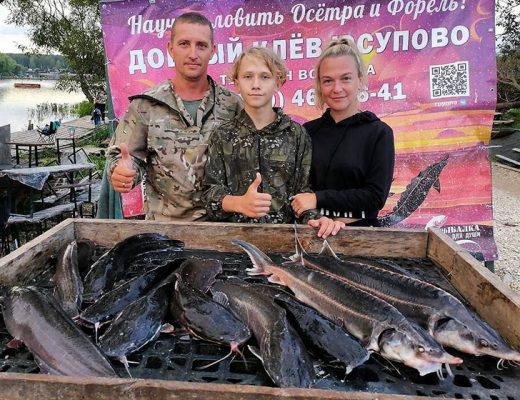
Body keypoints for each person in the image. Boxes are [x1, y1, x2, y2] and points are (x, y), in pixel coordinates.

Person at [106, 12, 242, 221]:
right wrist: (122, 172)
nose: (193, 54)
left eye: (201, 45)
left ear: (213, 51)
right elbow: (124, 157)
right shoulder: (146, 105)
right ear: (171, 49)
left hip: (222, 228)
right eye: (184, 44)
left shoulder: (233, 105)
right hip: (165, 229)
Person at [203, 47, 343, 238]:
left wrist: (316, 219)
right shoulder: (223, 135)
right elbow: (210, 194)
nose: (256, 85)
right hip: (234, 243)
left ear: (278, 81)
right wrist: (239, 203)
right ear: (236, 82)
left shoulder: (296, 134)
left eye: (265, 77)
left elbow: (301, 195)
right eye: (248, 76)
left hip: (283, 244)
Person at [291, 38, 395, 227]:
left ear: (360, 80)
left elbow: (375, 197)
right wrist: (318, 217)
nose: (337, 89)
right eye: (328, 81)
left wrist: (318, 199)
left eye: (346, 78)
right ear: (319, 86)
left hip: (362, 236)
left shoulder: (379, 133)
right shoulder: (307, 132)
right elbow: (297, 192)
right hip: (311, 233)